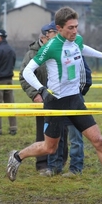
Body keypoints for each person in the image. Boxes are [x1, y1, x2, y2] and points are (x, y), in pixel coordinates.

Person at [7, 6, 102, 195]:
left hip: (75, 100)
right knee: (50, 148)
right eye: (70, 27)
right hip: (55, 102)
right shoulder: (50, 46)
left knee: (99, 140)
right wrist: (42, 90)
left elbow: (82, 48)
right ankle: (18, 156)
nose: (75, 31)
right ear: (59, 28)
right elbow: (27, 71)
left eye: (76, 26)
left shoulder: (76, 40)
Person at [20, 22, 69, 174]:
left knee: (63, 130)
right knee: (43, 131)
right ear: (44, 37)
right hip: (42, 100)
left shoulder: (61, 49)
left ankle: (60, 161)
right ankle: (42, 164)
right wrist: (35, 95)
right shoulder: (32, 54)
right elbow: (24, 77)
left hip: (61, 98)